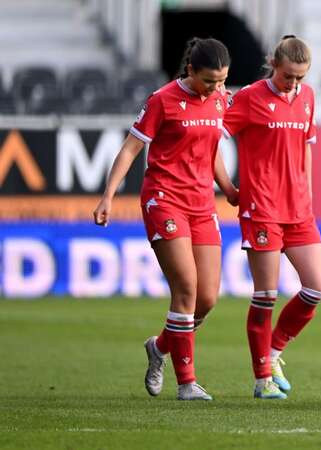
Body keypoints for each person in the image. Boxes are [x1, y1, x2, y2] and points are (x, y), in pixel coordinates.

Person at [93, 37, 237, 401]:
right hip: (164, 199)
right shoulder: (163, 100)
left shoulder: (221, 99)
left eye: (222, 80)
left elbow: (212, 150)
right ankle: (187, 382)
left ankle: (159, 348)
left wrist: (229, 188)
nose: (217, 87)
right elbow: (130, 148)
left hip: (202, 203)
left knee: (206, 298)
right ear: (190, 71)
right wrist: (108, 195)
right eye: (209, 80)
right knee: (186, 288)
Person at [222, 35, 321, 400]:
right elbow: (211, 140)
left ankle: (274, 351)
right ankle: (261, 377)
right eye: (288, 76)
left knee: (316, 288)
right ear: (273, 64)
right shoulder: (250, 97)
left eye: (300, 77)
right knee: (266, 294)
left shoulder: (308, 98)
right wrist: (227, 186)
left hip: (299, 210)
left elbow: (306, 151)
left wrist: (308, 193)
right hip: (262, 208)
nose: (294, 83)